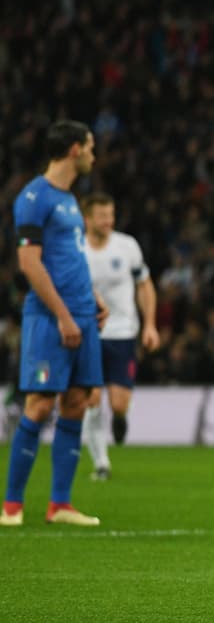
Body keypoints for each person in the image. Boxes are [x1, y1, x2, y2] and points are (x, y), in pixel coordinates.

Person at [2, 121, 106, 527]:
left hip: (82, 314)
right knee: (40, 404)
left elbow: (70, 258)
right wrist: (63, 315)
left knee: (76, 402)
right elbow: (29, 264)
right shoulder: (34, 197)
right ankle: (11, 506)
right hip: (50, 319)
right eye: (91, 147)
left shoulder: (69, 200)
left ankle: (60, 504)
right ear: (75, 149)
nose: (94, 155)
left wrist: (92, 298)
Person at [81, 193, 161, 480]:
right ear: (87, 219)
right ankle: (102, 464)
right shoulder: (77, 249)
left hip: (123, 332)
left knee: (118, 402)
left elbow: (145, 285)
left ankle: (120, 416)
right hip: (89, 333)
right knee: (91, 400)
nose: (108, 221)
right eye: (102, 216)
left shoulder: (126, 246)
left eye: (111, 215)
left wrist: (150, 325)